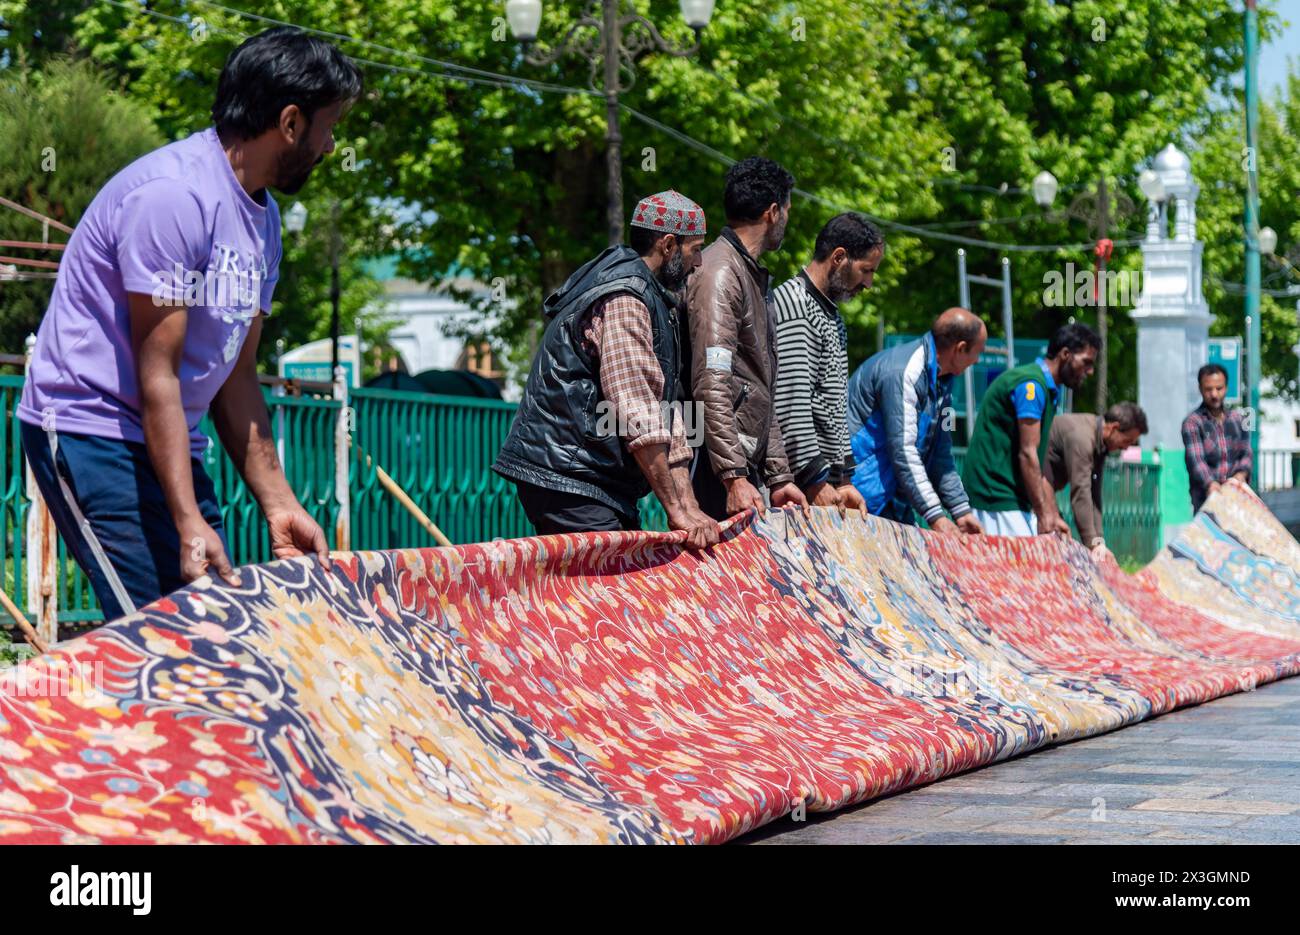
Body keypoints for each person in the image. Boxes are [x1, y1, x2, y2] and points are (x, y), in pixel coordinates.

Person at [18, 27, 360, 621]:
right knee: (159, 637)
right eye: (329, 125)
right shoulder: (173, 196)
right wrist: (187, 517)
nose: (332, 146)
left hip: (166, 441)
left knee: (209, 633)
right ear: (289, 123)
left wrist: (277, 502)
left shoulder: (263, 221)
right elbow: (159, 373)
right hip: (89, 431)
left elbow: (237, 375)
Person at [493, 191, 719, 549]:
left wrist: (691, 507)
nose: (699, 262)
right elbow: (637, 413)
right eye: (695, 249)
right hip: (567, 475)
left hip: (590, 479)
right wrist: (676, 510)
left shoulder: (653, 297)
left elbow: (666, 412)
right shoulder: (626, 297)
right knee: (605, 589)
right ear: (669, 244)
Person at [687, 156, 807, 520]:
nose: (787, 218)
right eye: (787, 209)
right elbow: (711, 381)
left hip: (737, 467)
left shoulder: (748, 273)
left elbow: (757, 387)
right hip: (714, 470)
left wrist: (779, 475)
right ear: (773, 212)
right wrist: (733, 476)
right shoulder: (722, 273)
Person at [772, 213, 883, 513]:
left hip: (821, 483)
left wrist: (844, 479)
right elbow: (792, 403)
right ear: (839, 257)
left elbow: (834, 405)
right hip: (793, 485)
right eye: (867, 270)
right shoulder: (796, 305)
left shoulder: (832, 317)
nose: (869, 283)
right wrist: (814, 480)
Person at [846, 308, 987, 535]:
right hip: (859, 497)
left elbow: (942, 450)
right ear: (960, 348)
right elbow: (903, 449)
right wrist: (935, 515)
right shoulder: (904, 373)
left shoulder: (946, 385)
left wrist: (961, 510)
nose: (977, 360)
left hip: (893, 502)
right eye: (977, 352)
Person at [961, 322, 1100, 537]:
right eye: (1086, 362)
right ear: (1065, 354)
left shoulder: (1047, 389)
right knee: (1022, 568)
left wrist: (1053, 515)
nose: (1090, 371)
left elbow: (1040, 465)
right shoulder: (1031, 385)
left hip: (1010, 500)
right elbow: (1028, 454)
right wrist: (1044, 515)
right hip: (994, 499)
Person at [1048, 402, 1148, 562]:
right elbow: (1081, 492)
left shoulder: (1100, 443)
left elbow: (1094, 494)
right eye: (1127, 441)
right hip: (1021, 494)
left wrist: (1099, 541)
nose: (1126, 448)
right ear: (1114, 428)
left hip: (1043, 492)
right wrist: (1092, 544)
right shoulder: (1082, 438)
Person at [1182, 362, 1252, 512]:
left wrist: (1241, 474)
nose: (1214, 394)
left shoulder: (1238, 420)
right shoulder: (1193, 423)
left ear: (1226, 388)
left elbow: (1246, 452)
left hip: (1237, 501)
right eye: (1208, 389)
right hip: (1207, 502)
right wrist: (1210, 484)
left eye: (1219, 388)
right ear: (1200, 389)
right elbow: (1196, 461)